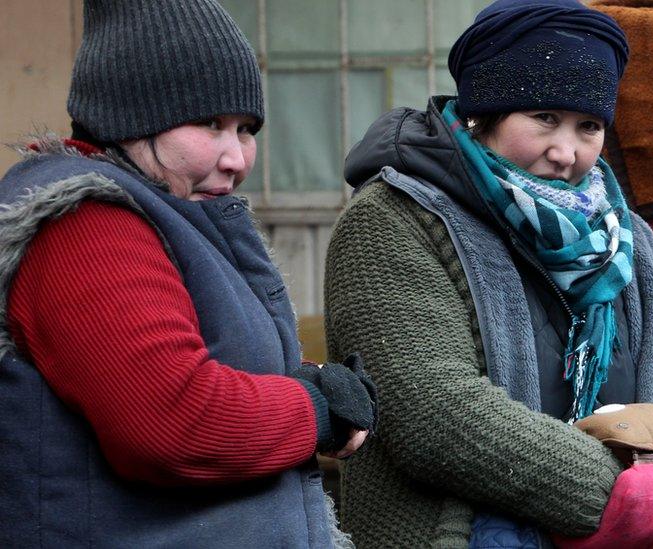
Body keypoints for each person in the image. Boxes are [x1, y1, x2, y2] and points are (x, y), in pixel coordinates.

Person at [323, 0, 653, 546]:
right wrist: (631, 495)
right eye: (544, 118)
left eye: (588, 127)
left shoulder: (616, 237)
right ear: (484, 114)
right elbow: (432, 413)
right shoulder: (394, 220)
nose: (565, 152)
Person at [0, 1, 375, 547]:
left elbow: (212, 358)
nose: (237, 158)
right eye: (208, 124)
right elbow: (173, 421)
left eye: (246, 129)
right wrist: (316, 410)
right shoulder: (85, 226)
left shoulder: (167, 214)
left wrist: (309, 379)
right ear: (129, 117)